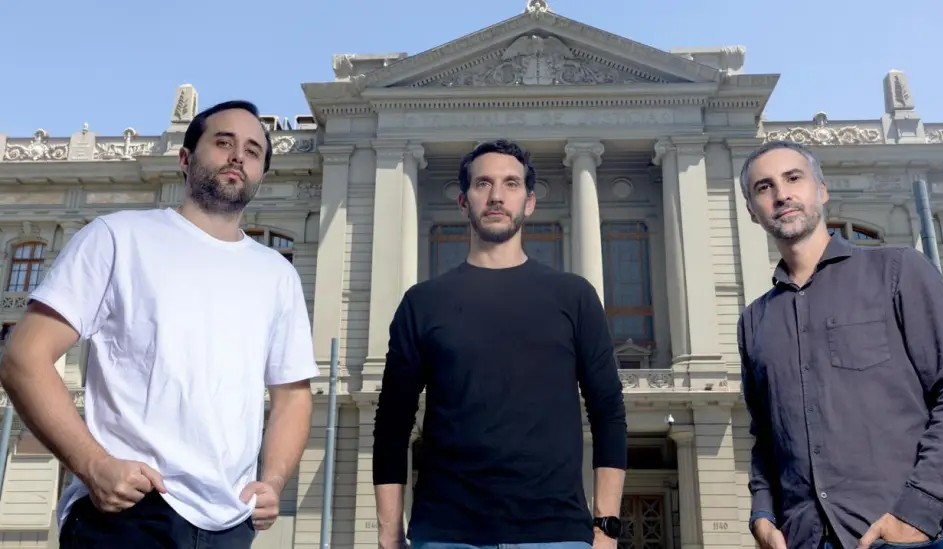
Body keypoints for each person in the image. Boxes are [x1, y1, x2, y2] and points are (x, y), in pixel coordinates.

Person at [0, 100, 319, 548]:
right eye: (223, 142)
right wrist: (94, 465)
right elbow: (23, 357)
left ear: (261, 174)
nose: (237, 157)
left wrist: (274, 481)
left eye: (252, 151)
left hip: (229, 521)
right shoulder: (118, 237)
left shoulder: (278, 275)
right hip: (129, 510)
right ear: (185, 158)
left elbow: (293, 395)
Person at [371, 139, 628, 549]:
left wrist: (606, 529)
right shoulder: (422, 303)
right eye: (483, 184)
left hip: (557, 536)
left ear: (529, 202)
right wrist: (388, 533)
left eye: (511, 183)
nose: (496, 196)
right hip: (445, 535)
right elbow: (392, 422)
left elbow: (608, 412)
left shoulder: (575, 297)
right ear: (463, 202)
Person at [737, 139, 943, 549]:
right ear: (751, 210)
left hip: (904, 537)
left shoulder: (899, 271)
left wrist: (918, 510)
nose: (781, 194)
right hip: (802, 538)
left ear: (822, 190)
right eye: (764, 187)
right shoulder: (754, 320)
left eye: (793, 178)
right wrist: (762, 515)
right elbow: (765, 436)